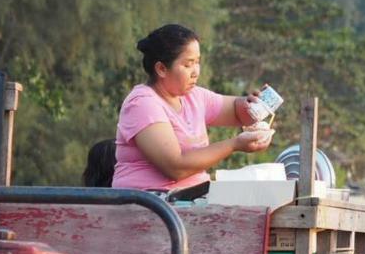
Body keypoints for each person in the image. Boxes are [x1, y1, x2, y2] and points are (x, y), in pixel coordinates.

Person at [112, 24, 272, 193]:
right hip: (150, 205)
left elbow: (236, 111)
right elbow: (176, 167)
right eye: (188, 65)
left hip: (191, 201)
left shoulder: (194, 96)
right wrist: (234, 144)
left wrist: (254, 106)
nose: (196, 71)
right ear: (161, 69)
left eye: (197, 62)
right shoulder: (142, 104)